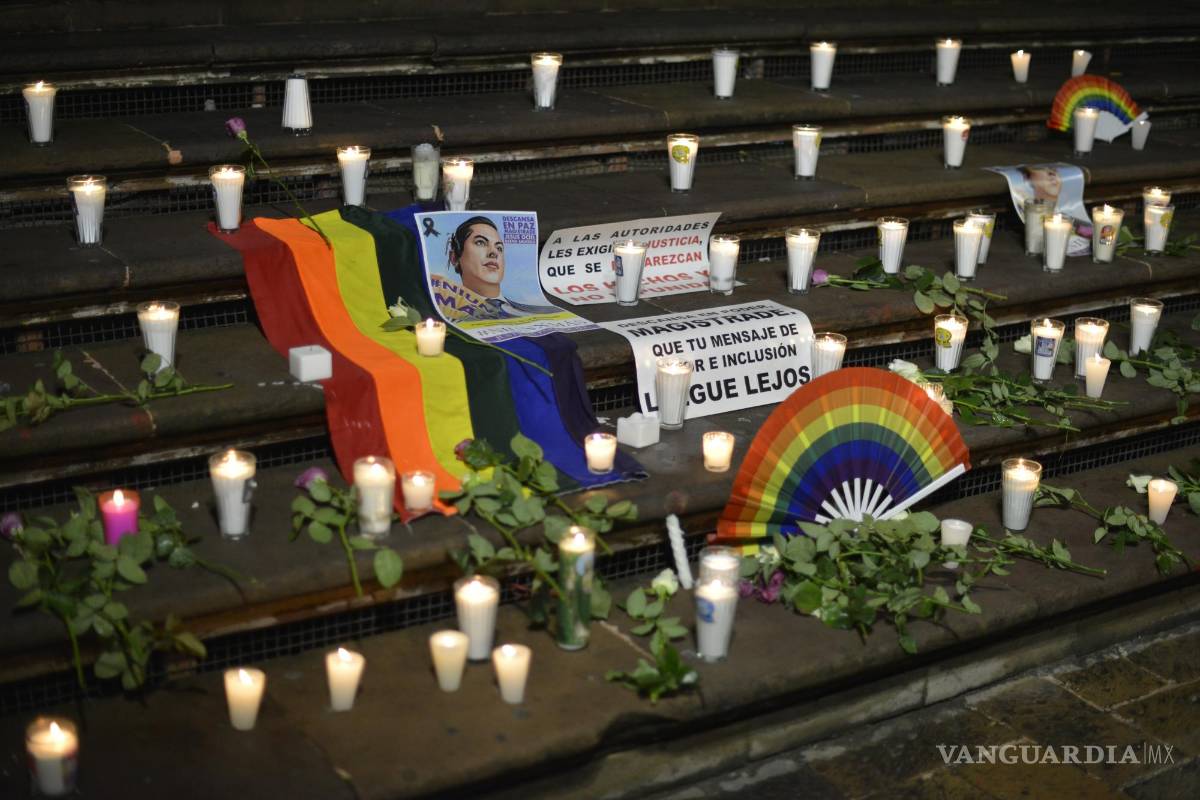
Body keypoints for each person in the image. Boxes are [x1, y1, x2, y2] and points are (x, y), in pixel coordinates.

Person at [442, 216, 560, 320]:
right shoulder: (447, 317)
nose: (494, 253)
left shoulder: (542, 310)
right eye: (480, 243)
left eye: (499, 248)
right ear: (454, 258)